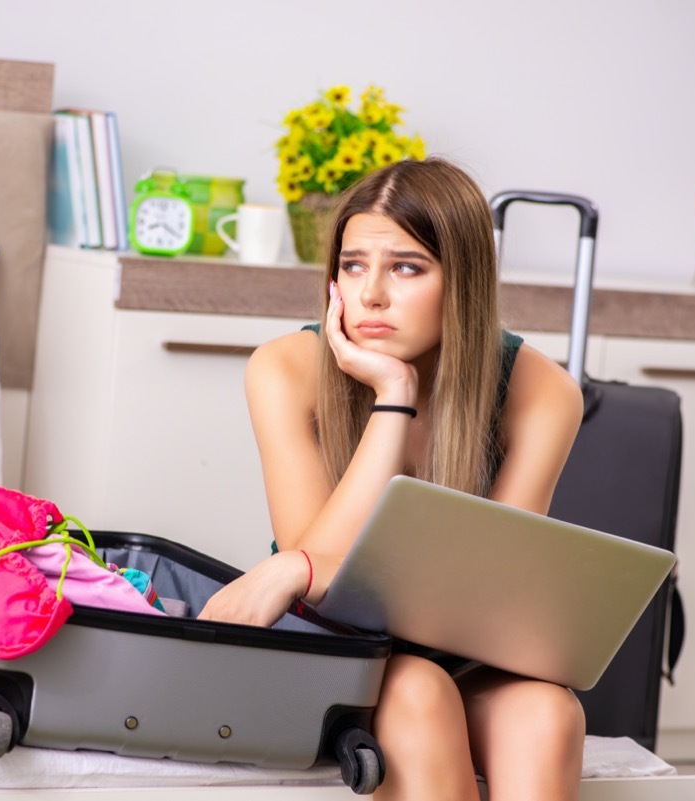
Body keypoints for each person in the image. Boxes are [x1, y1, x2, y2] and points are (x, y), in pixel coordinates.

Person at [197, 157, 586, 801]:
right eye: (353, 266)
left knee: (548, 713)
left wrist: (297, 568)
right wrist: (393, 397)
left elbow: (494, 592)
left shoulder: (542, 392)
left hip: (463, 648)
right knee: (418, 691)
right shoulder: (284, 368)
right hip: (337, 654)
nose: (370, 294)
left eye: (405, 267)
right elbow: (324, 587)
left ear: (461, 282)